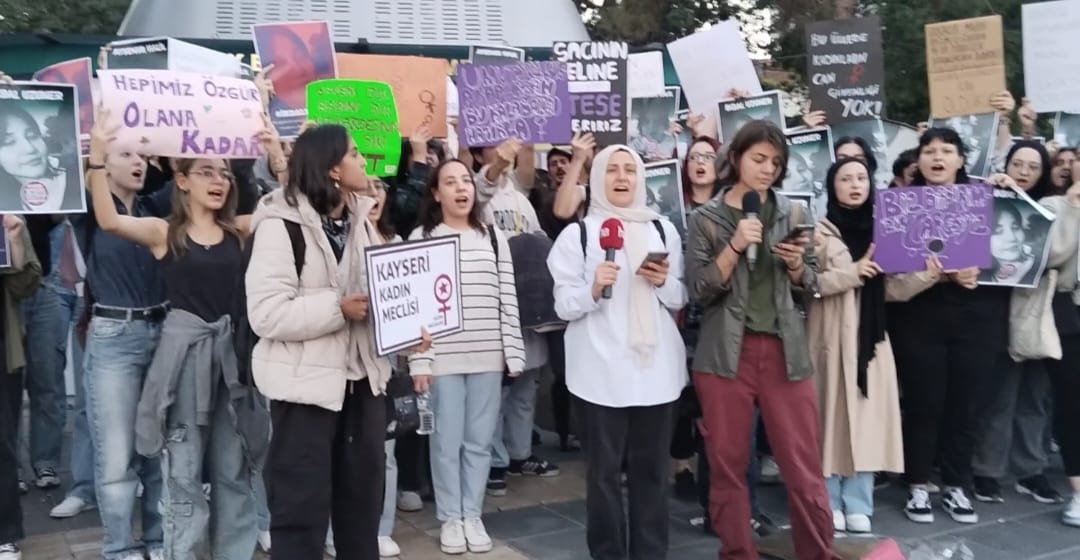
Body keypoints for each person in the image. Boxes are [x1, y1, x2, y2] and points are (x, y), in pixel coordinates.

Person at [88, 109, 272, 559]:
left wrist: (275, 150)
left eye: (225, 173)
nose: (219, 179)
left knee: (233, 470)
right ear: (182, 180)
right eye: (206, 171)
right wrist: (95, 161)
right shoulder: (163, 232)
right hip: (184, 363)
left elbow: (285, 204)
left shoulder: (239, 230)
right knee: (184, 472)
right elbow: (110, 220)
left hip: (231, 362)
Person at [684, 120, 837, 560]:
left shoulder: (794, 214)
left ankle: (817, 552)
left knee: (802, 464)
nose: (768, 169)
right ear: (734, 159)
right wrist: (733, 247)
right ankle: (737, 552)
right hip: (723, 356)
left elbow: (809, 282)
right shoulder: (705, 218)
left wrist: (794, 267)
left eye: (776, 162)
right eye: (759, 159)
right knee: (728, 465)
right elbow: (699, 290)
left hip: (785, 352)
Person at [547, 145, 687, 559]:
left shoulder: (663, 230)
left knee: (651, 475)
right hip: (599, 373)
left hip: (655, 373)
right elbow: (562, 304)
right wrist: (592, 289)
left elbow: (680, 296)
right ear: (597, 178)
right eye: (612, 170)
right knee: (603, 477)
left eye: (630, 170)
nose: (622, 178)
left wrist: (663, 282)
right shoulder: (581, 234)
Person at [886, 127, 1011, 526]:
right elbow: (889, 279)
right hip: (919, 320)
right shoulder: (901, 205)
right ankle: (918, 485)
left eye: (947, 151)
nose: (937, 157)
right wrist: (931, 276)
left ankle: (958, 485)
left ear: (961, 159)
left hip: (975, 321)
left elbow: (1016, 253)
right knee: (924, 404)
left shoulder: (987, 200)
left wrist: (982, 269)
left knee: (965, 405)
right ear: (919, 159)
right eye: (929, 150)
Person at [408, 159, 525, 555]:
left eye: (465, 181)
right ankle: (450, 518)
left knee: (479, 442)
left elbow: (507, 298)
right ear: (436, 193)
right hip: (443, 359)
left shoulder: (493, 238)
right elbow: (414, 308)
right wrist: (420, 362)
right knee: (445, 442)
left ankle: (472, 514)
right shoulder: (422, 236)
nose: (461, 189)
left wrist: (513, 352)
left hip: (487, 357)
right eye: (450, 182)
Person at [807, 158, 903, 535]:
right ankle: (827, 500)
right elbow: (808, 282)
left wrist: (931, 273)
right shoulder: (818, 231)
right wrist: (852, 272)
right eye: (845, 179)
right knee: (828, 420)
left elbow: (892, 288)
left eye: (861, 178)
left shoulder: (885, 231)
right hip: (829, 338)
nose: (854, 185)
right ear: (833, 187)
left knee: (867, 421)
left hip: (871, 340)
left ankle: (859, 501)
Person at [972, 139, 1064, 505]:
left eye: (1033, 167)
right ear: (1005, 165)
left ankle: (1031, 470)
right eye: (1018, 164)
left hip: (1039, 314)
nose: (1023, 172)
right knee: (999, 396)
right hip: (995, 312)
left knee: (1035, 397)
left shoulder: (1052, 210)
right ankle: (987, 471)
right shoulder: (986, 198)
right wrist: (988, 191)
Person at [0, 215, 44, 560]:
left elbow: (26, 285)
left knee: (2, 441)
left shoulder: (7, 212)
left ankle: (4, 534)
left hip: (2, 346)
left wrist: (14, 238)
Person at [0, 106, 81, 212]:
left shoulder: (78, 178)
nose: (29, 149)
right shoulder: (8, 203)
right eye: (9, 142)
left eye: (32, 135)